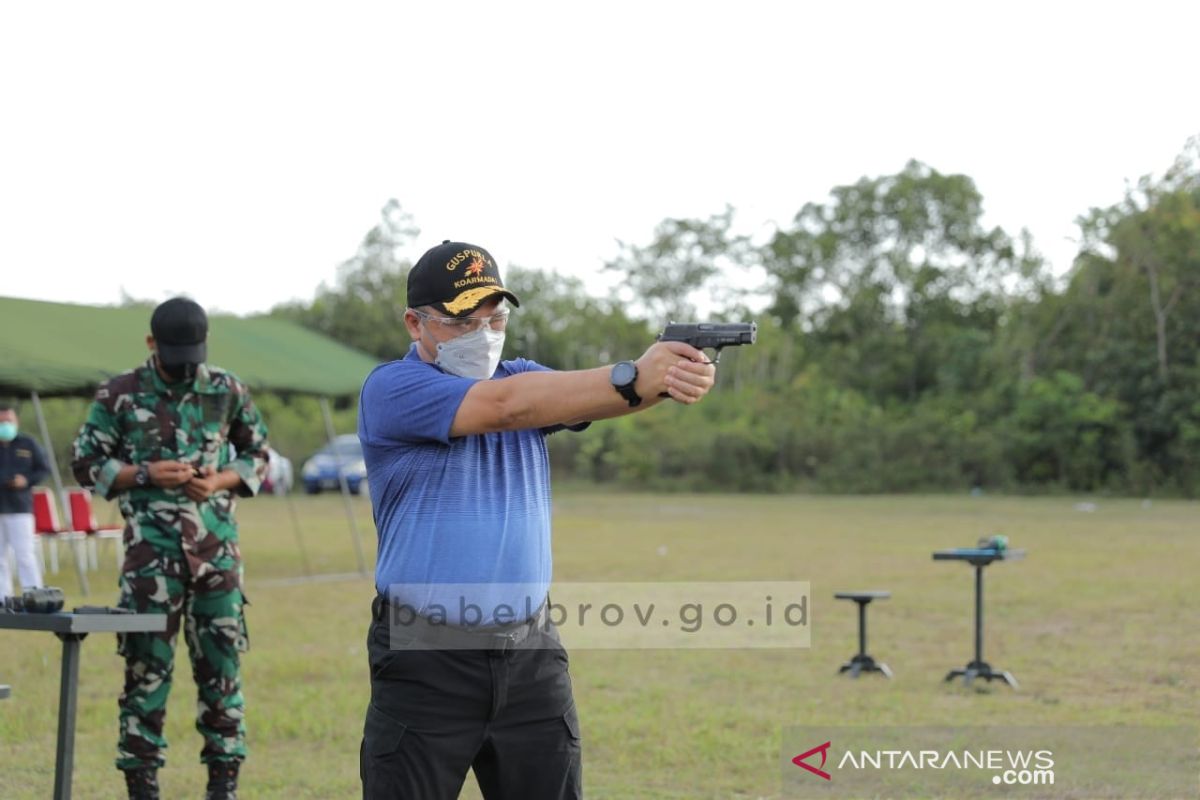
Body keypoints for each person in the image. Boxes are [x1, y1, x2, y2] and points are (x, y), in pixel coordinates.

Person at [357, 240, 717, 799]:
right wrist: (635, 374)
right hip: (425, 657)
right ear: (414, 323)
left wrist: (667, 377)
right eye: (462, 321)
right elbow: (509, 407)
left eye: (495, 318)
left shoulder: (521, 377)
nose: (484, 334)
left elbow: (599, 397)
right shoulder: (393, 390)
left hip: (530, 652)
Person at [71, 297, 269, 800]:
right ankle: (142, 788)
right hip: (149, 564)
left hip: (216, 559)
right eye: (174, 354)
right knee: (144, 680)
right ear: (150, 344)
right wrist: (143, 474)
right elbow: (85, 460)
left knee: (222, 679)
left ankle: (223, 789)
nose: (185, 367)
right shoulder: (119, 394)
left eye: (193, 355)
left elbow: (257, 454)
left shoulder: (225, 389)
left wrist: (221, 480)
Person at [0, 403, 49, 599]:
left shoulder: (27, 444)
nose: (5, 425)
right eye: (1, 421)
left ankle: (33, 594)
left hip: (20, 507)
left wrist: (26, 480)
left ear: (16, 421)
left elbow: (43, 469)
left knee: (25, 554)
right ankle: (3, 597)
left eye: (8, 421)